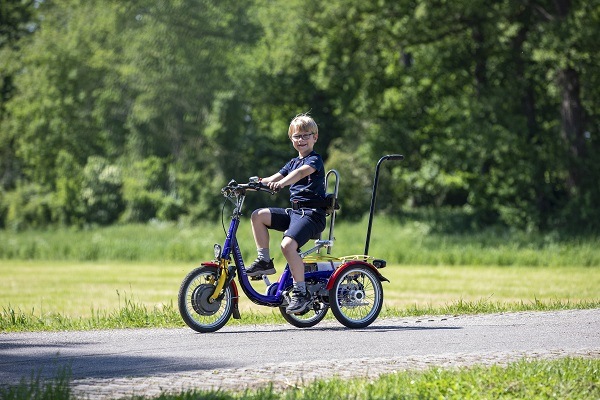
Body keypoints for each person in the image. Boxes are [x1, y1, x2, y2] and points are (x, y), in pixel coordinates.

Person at [246, 113, 327, 314]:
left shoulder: (314, 160)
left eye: (306, 135)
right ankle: (264, 261)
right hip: (295, 213)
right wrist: (249, 185)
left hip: (312, 215)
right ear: (291, 139)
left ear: (315, 137)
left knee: (288, 245)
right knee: (258, 215)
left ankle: (301, 293)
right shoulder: (292, 163)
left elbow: (299, 174)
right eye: (296, 137)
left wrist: (281, 184)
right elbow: (272, 178)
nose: (301, 140)